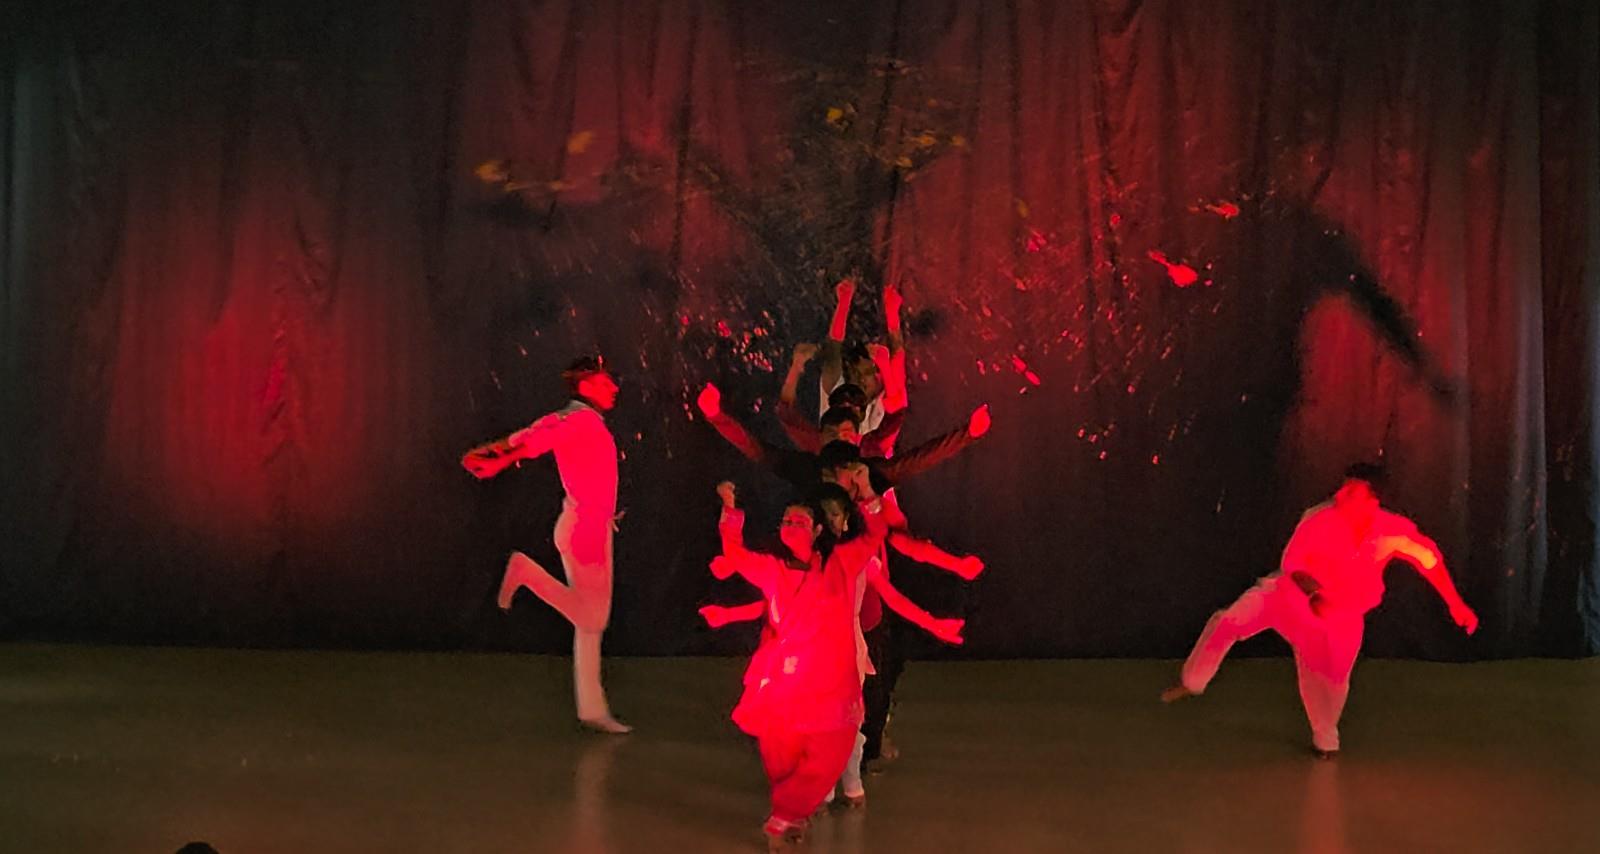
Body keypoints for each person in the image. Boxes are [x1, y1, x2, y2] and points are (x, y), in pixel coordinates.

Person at [1161, 463, 1479, 757]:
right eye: (1342, 487)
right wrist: (1314, 594)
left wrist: (1456, 604)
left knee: (1331, 680)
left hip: (1341, 615)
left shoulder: (1393, 530)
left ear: (1374, 500)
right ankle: (1194, 680)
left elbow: (1429, 561)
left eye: (1351, 492)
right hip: (1285, 597)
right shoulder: (1318, 518)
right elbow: (1293, 564)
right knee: (1229, 620)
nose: (1339, 494)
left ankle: (1325, 740)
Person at [704, 482, 961, 839]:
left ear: (818, 530)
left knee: (835, 745)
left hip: (832, 675)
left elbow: (876, 537)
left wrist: (869, 493)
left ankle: (791, 811)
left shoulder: (842, 563)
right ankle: (788, 815)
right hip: (785, 677)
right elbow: (735, 553)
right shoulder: (772, 570)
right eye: (786, 522)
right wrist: (730, 507)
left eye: (800, 522)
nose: (791, 528)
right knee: (780, 750)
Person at [461, 356, 632, 734]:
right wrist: (496, 456)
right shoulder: (578, 420)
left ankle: (592, 710)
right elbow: (533, 438)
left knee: (590, 626)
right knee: (592, 621)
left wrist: (498, 457)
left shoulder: (579, 421)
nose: (614, 388)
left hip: (589, 529)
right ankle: (525, 571)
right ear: (585, 387)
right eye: (605, 383)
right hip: (585, 531)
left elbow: (529, 442)